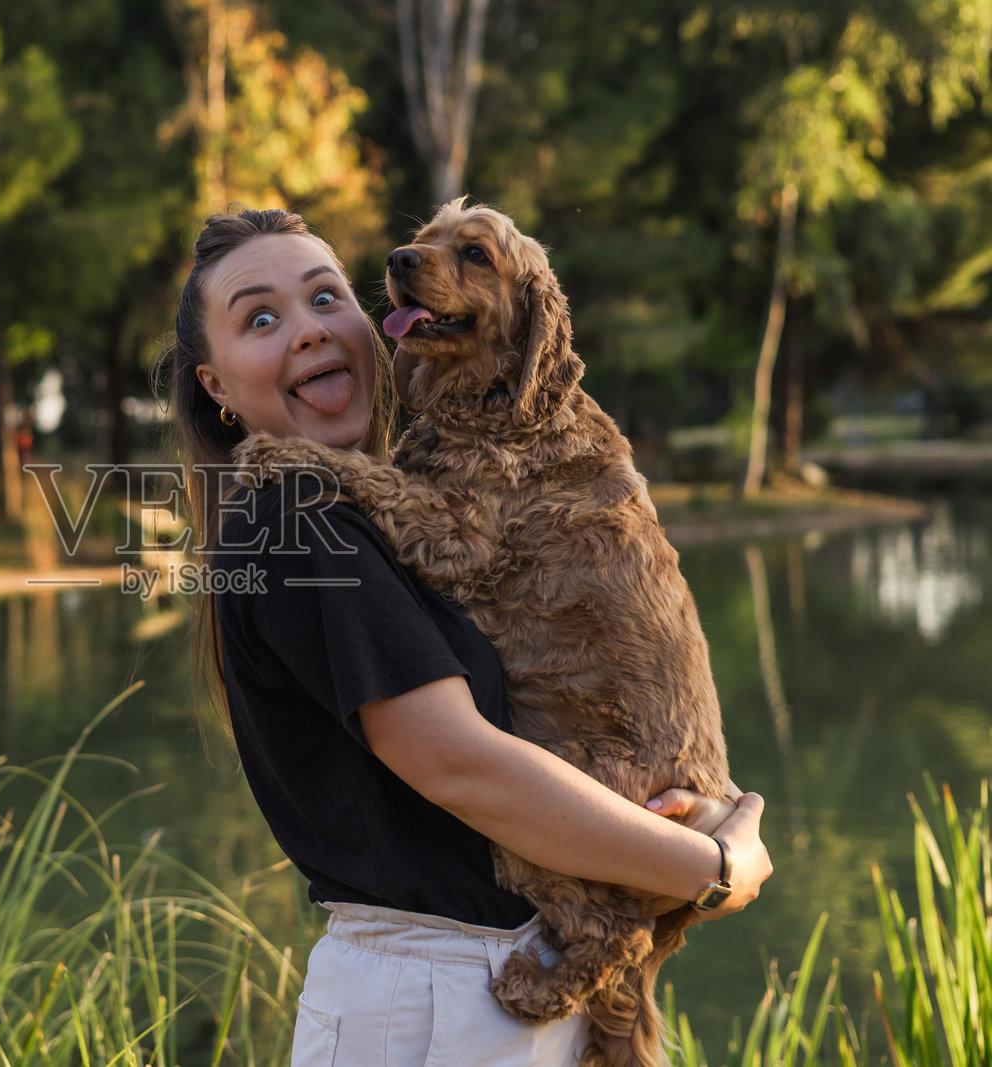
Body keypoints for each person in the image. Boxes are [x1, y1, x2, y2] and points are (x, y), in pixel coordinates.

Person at [155, 207, 772, 1066]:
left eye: (326, 297)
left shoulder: (354, 510)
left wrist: (688, 799)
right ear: (214, 383)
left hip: (479, 990)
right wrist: (710, 865)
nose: (306, 330)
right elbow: (459, 762)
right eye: (261, 318)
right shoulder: (299, 522)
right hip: (434, 1004)